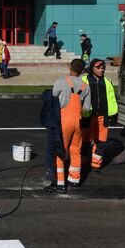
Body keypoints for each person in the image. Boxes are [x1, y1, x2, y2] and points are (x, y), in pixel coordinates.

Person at [48, 59, 91, 192]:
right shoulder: (86, 86)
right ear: (83, 71)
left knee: (60, 150)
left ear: (69, 67)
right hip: (78, 122)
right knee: (75, 150)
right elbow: (87, 109)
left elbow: (53, 98)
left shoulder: (61, 81)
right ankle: (74, 180)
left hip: (63, 121)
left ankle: (60, 183)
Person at [81, 58, 118, 171]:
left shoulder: (107, 81)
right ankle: (82, 162)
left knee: (101, 142)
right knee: (85, 141)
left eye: (103, 68)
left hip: (103, 116)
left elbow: (111, 99)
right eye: (99, 68)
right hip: (88, 116)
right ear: (92, 68)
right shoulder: (84, 80)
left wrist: (113, 114)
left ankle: (96, 165)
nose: (101, 70)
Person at [40, 88, 64, 189]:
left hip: (52, 124)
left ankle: (52, 177)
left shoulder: (48, 98)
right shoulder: (59, 98)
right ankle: (57, 178)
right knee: (59, 150)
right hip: (60, 124)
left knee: (51, 151)